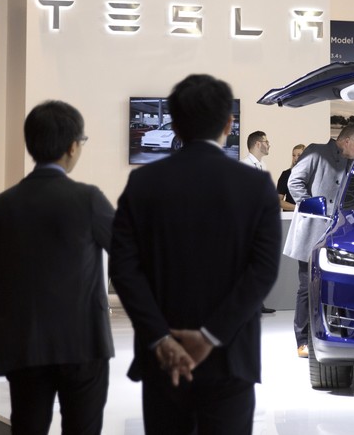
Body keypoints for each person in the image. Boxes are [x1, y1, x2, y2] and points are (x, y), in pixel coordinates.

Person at [109, 74, 281, 434]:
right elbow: (263, 271)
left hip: (164, 358)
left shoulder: (143, 183)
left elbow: (124, 269)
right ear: (229, 123)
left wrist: (160, 337)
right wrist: (210, 336)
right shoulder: (255, 186)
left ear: (175, 124)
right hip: (230, 357)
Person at [0, 101, 115, 433]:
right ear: (73, 147)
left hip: (24, 344)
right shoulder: (88, 199)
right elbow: (128, 255)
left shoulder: (2, 206)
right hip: (83, 345)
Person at [285, 124, 354, 358]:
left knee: (336, 287)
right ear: (347, 141)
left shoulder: (353, 164)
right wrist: (312, 205)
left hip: (338, 237)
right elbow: (294, 182)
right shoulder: (316, 152)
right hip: (311, 233)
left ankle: (337, 335)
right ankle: (302, 341)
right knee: (306, 288)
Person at [240, 130, 276, 314]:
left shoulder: (263, 166)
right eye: (266, 141)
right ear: (257, 144)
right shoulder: (244, 166)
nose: (269, 145)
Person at [277, 144, 305, 211]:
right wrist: (297, 208)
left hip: (308, 215)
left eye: (299, 155)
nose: (295, 158)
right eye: (293, 155)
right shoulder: (286, 174)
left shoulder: (312, 175)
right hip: (290, 214)